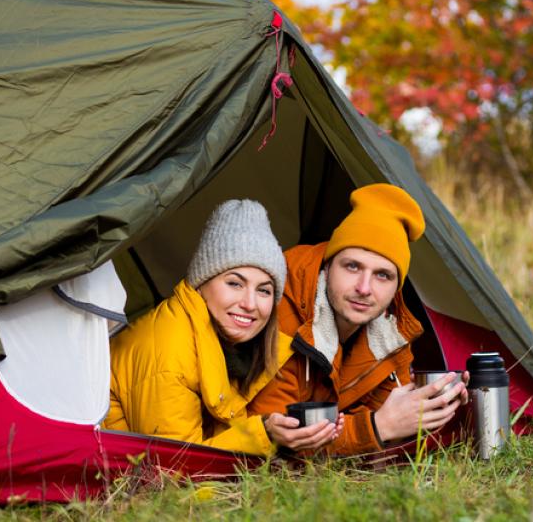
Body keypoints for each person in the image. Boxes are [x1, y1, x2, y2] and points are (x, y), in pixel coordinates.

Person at [105, 199, 343, 456]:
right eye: (234, 283)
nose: (250, 303)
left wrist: (284, 435)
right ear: (201, 283)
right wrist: (264, 434)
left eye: (264, 290)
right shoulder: (170, 351)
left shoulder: (232, 346)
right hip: (104, 478)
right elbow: (173, 468)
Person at [249, 183, 467, 455]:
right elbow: (280, 442)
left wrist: (440, 404)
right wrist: (378, 427)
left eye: (382, 275)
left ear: (396, 288)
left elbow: (389, 414)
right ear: (328, 266)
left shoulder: (391, 330)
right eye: (352, 266)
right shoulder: (282, 310)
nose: (364, 288)